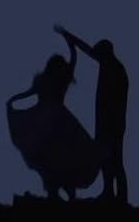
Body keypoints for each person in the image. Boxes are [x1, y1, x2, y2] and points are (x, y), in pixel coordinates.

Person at [6, 38, 105, 200]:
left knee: (56, 159)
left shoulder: (52, 79)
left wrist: (14, 101)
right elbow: (72, 62)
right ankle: (61, 193)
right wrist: (70, 44)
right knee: (62, 159)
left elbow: (29, 92)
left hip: (50, 123)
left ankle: (58, 192)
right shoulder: (58, 79)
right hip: (55, 123)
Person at [54, 25, 130, 204]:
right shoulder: (108, 64)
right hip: (105, 122)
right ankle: (109, 192)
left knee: (116, 159)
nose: (97, 58)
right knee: (105, 158)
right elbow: (89, 50)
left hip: (113, 123)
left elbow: (117, 101)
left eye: (100, 54)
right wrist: (69, 36)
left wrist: (110, 123)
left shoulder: (117, 71)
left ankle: (121, 196)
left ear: (106, 53)